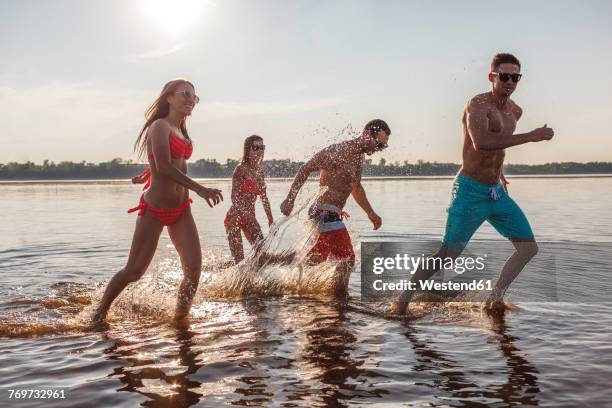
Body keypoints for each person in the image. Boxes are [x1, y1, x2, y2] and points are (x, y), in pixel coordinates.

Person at [392, 53, 554, 315]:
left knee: (528, 249)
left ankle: (494, 299)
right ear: (492, 77)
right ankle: (403, 299)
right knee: (448, 256)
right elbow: (481, 143)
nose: (510, 81)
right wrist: (531, 137)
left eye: (515, 77)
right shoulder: (477, 105)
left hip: (496, 194)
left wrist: (499, 172)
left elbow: (498, 147)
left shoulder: (515, 110)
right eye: (504, 76)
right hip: (469, 191)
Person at [92, 79, 223, 325]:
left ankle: (180, 321)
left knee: (193, 271)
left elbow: (167, 162)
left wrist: (146, 172)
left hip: (181, 211)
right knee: (134, 271)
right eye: (185, 94)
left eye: (194, 97)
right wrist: (201, 189)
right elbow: (163, 166)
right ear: (169, 98)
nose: (190, 100)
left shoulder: (182, 129)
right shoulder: (159, 126)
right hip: (154, 209)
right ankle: (98, 314)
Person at [279, 119, 391, 297]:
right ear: (367, 134)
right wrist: (290, 199)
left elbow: (356, 187)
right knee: (347, 259)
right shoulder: (340, 151)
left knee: (313, 259)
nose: (378, 149)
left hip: (332, 213)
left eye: (383, 147)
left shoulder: (359, 158)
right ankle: (341, 300)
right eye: (379, 144)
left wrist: (370, 212)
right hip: (323, 212)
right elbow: (306, 168)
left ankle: (269, 264)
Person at [225, 135, 274, 263]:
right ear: (248, 150)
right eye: (256, 147)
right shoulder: (240, 169)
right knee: (239, 261)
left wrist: (270, 219)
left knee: (262, 256)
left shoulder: (260, 172)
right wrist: (246, 214)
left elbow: (264, 198)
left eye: (262, 147)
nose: (260, 150)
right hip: (234, 217)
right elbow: (234, 198)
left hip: (250, 217)